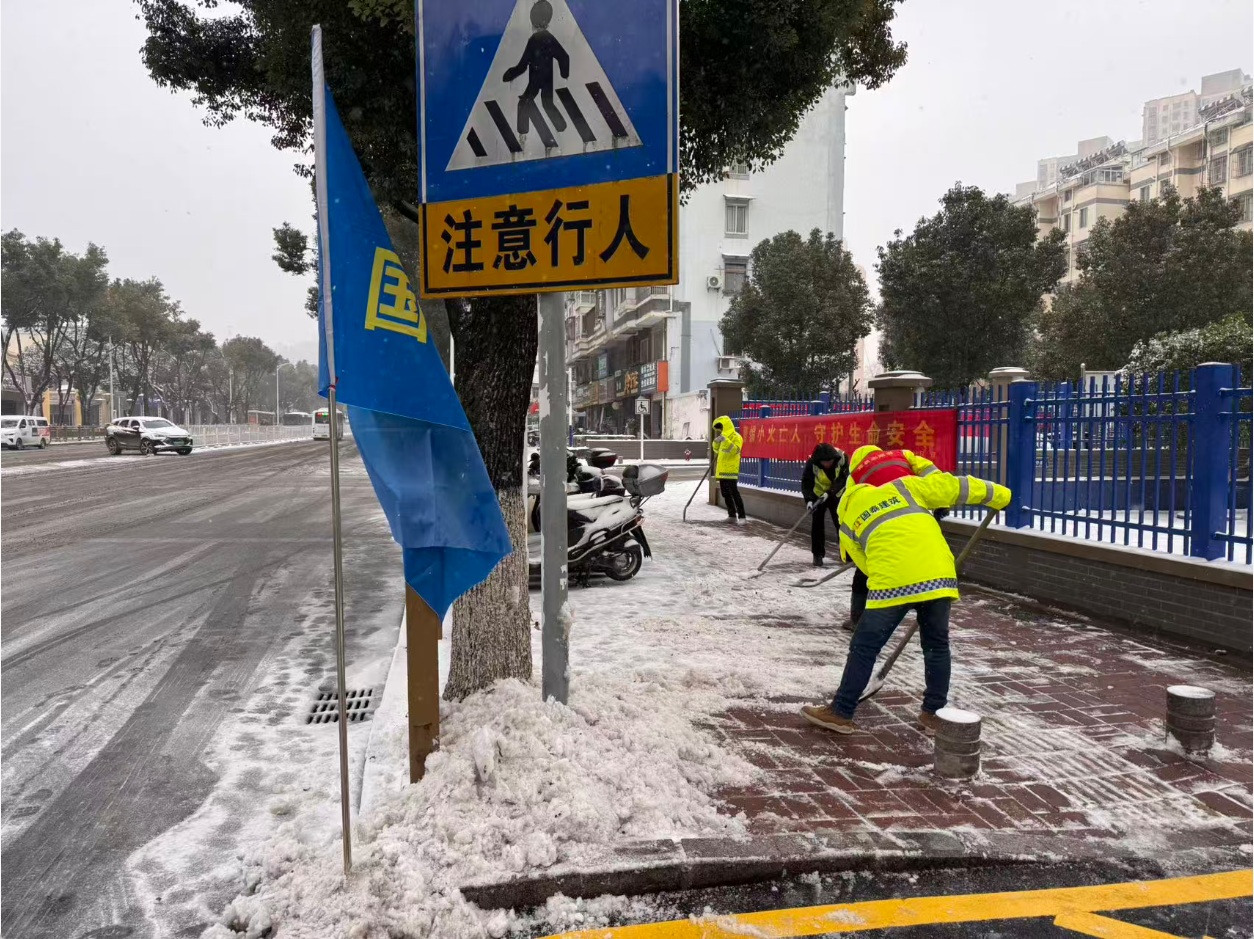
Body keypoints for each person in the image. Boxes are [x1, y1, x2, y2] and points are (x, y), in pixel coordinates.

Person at [801, 444, 1010, 736]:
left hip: (891, 582)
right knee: (937, 647)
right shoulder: (906, 486)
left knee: (864, 647)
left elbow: (855, 557)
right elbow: (955, 486)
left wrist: (886, 573)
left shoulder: (848, 504)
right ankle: (934, 713)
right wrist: (999, 495)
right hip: (938, 576)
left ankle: (841, 712)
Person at [801, 443, 849, 567]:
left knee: (841, 523)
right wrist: (809, 500)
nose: (828, 464)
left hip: (837, 494)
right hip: (818, 495)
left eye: (830, 462)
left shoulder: (842, 458)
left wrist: (829, 493)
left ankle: (846, 553)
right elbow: (807, 482)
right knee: (817, 524)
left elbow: (843, 479)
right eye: (825, 462)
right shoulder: (812, 462)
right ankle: (817, 554)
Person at [711, 415, 745, 524]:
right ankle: (732, 515)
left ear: (726, 425)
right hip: (722, 470)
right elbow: (717, 451)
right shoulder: (722, 437)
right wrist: (716, 442)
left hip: (731, 470)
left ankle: (742, 517)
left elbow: (735, 450)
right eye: (719, 428)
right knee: (725, 494)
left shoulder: (737, 437)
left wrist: (725, 440)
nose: (721, 430)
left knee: (734, 493)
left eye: (722, 427)